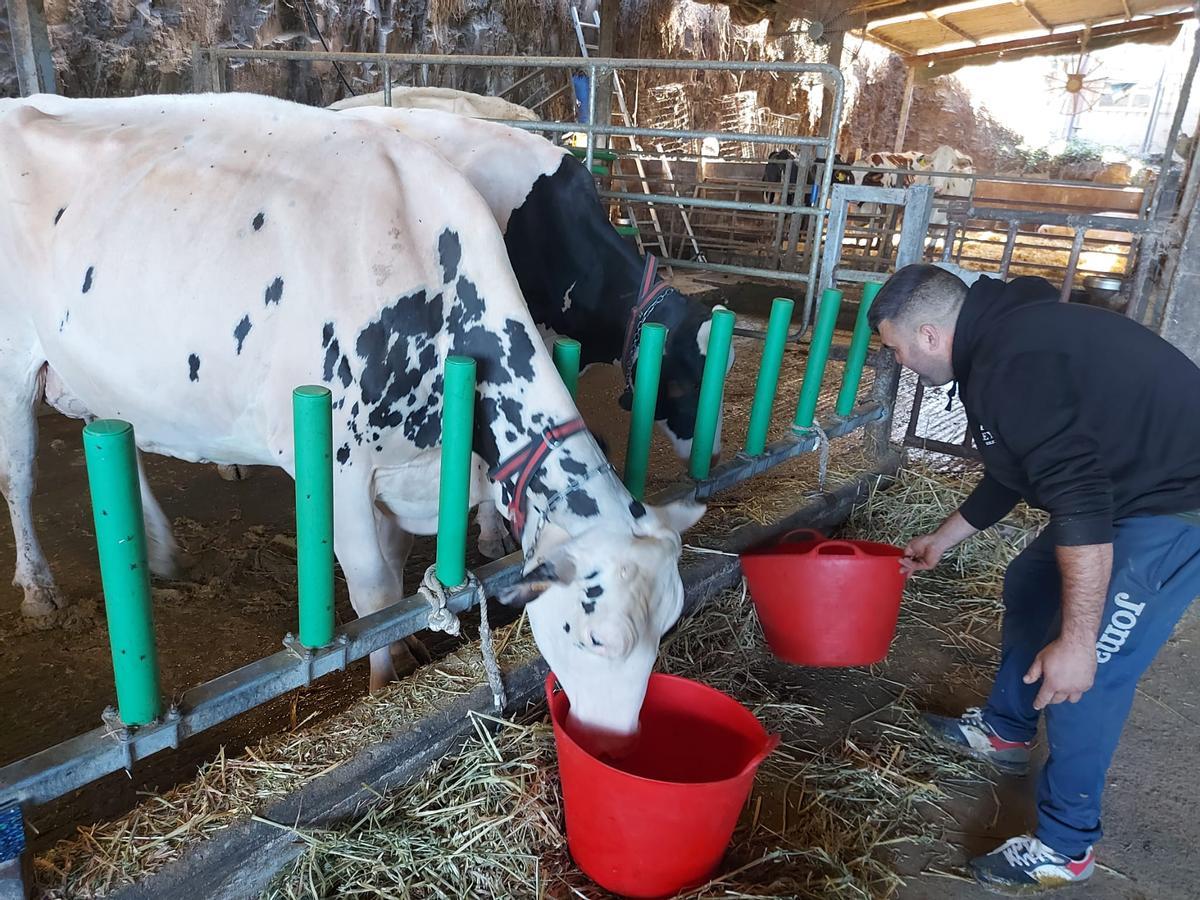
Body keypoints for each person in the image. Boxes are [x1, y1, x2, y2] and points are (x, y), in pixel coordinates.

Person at [870, 264, 1200, 893]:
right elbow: (1014, 469)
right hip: (1122, 490)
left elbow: (1076, 498)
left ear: (932, 334)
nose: (901, 363)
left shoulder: (1009, 362)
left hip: (1174, 502)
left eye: (898, 348)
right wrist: (943, 538)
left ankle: (1067, 846)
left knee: (1086, 675)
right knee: (1029, 581)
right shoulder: (998, 343)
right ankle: (1008, 732)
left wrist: (1076, 643)